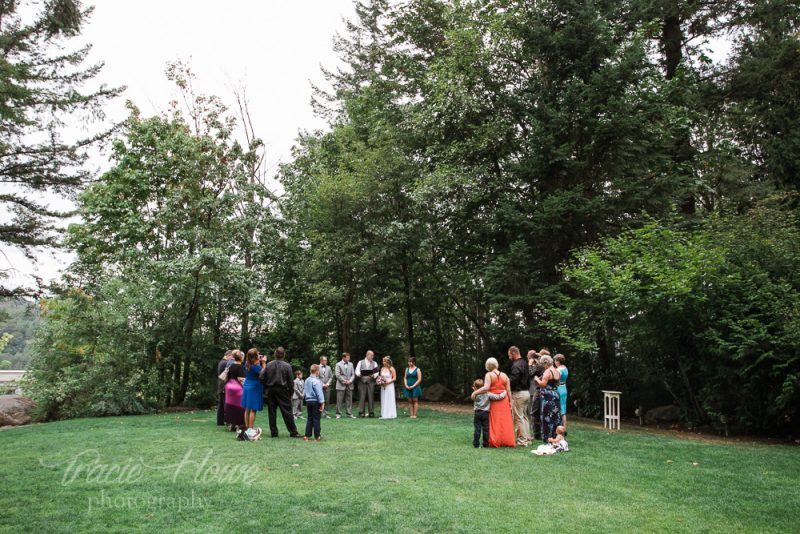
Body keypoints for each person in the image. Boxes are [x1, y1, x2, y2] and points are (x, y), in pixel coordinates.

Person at [471, 357, 515, 447]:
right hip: (504, 400)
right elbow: (509, 390)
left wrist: (475, 392)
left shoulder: (489, 374)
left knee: (494, 422)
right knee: (504, 421)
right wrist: (511, 402)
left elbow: (486, 387)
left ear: (487, 366)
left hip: (494, 401)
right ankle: (506, 441)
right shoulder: (505, 376)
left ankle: (495, 441)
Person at [260, 346, 301, 438]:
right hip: (283, 390)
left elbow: (261, 377)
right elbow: (291, 382)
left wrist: (266, 386)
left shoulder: (269, 364)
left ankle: (274, 432)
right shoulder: (287, 366)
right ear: (284, 355)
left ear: (275, 354)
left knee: (272, 412)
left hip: (271, 390)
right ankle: (293, 432)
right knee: (287, 412)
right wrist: (290, 393)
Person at [533, 354, 562, 443]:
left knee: (547, 416)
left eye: (543, 364)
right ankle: (556, 435)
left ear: (546, 363)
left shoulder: (547, 371)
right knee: (556, 416)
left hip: (548, 396)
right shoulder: (557, 371)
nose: (543, 366)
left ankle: (547, 436)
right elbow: (556, 383)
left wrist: (537, 379)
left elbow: (543, 384)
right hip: (556, 394)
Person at [471, 378, 507, 448]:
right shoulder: (488, 394)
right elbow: (498, 397)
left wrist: (475, 390)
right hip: (485, 413)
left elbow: (473, 396)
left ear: (475, 387)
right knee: (486, 429)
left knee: (477, 429)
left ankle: (476, 444)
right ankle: (485, 444)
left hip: (477, 413)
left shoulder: (475, 394)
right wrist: (504, 392)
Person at [508, 346, 531, 447]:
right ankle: (528, 438)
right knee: (524, 417)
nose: (509, 357)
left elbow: (514, 379)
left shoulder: (516, 365)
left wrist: (506, 382)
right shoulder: (525, 363)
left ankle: (522, 441)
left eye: (509, 355)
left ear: (513, 353)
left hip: (519, 394)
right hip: (526, 393)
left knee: (518, 418)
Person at [240, 348, 264, 440]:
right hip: (254, 388)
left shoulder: (247, 364)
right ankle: (250, 429)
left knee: (247, 408)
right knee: (253, 409)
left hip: (247, 387)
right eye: (257, 353)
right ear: (255, 356)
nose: (259, 354)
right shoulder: (256, 366)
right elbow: (264, 373)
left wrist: (259, 362)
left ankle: (247, 428)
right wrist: (264, 363)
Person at [223, 350, 246, 431]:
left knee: (230, 406)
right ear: (241, 358)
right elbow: (241, 379)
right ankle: (238, 425)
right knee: (239, 407)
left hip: (229, 388)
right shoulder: (240, 367)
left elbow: (227, 377)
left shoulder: (231, 366)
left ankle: (231, 424)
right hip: (237, 389)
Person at [303, 364, 325, 441]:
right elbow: (319, 393)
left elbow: (305, 391)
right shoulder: (316, 381)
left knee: (309, 418)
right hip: (315, 401)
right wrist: (322, 403)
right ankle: (317, 436)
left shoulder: (307, 380)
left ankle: (307, 435)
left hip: (308, 401)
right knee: (316, 418)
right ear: (317, 372)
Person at [528, 349, 545, 441]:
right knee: (535, 413)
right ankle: (537, 433)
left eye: (528, 356)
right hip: (534, 390)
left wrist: (530, 364)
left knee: (534, 413)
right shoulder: (540, 364)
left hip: (535, 390)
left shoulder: (538, 365)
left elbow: (530, 373)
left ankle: (536, 434)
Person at [356, 350, 378, 417]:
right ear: (367, 355)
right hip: (362, 382)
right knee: (362, 397)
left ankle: (371, 412)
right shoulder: (360, 362)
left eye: (373, 355)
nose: (372, 357)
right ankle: (361, 412)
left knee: (371, 397)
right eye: (371, 355)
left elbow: (376, 372)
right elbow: (357, 370)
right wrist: (359, 374)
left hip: (371, 382)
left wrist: (374, 375)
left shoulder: (374, 363)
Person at [335, 352, 356, 419]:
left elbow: (353, 374)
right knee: (339, 400)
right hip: (341, 385)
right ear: (343, 357)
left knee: (349, 400)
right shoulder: (338, 364)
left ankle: (349, 413)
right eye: (347, 357)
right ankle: (338, 414)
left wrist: (350, 381)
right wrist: (344, 381)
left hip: (350, 384)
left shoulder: (351, 364)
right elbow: (337, 375)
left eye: (349, 357)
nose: (349, 358)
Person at [217, 350, 235, 425]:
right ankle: (227, 421)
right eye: (232, 357)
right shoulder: (225, 363)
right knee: (225, 405)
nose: (232, 359)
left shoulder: (221, 362)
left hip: (221, 386)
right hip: (224, 386)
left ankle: (220, 421)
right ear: (229, 355)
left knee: (221, 405)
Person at [555, 353, 569, 430]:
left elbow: (556, 378)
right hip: (564, 388)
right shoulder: (565, 368)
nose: (554, 362)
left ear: (558, 361)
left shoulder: (559, 370)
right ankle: (564, 428)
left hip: (559, 388)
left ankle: (559, 428)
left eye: (555, 361)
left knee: (558, 408)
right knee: (563, 410)